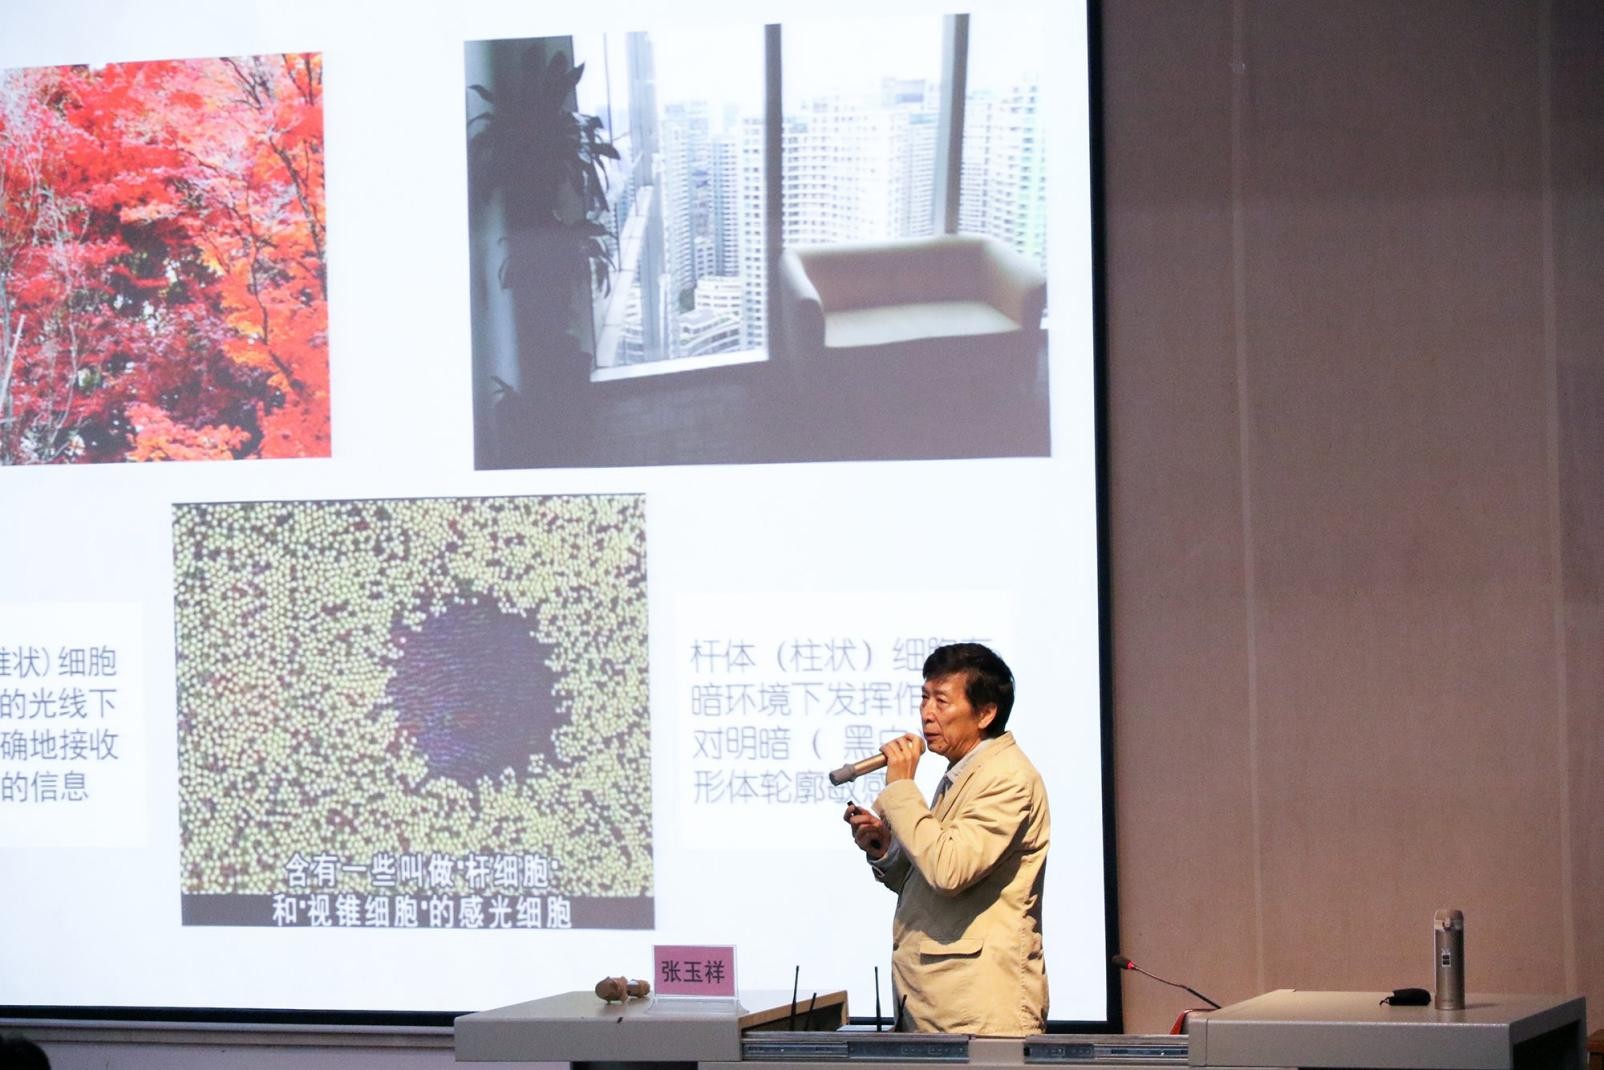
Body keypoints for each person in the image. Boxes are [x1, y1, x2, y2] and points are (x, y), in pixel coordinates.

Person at [844, 642, 1049, 1035]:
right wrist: (887, 849)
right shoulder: (965, 771)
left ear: (985, 713)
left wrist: (901, 788)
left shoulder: (1007, 778)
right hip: (940, 1009)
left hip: (979, 1014)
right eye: (924, 698)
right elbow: (932, 874)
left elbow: (949, 871)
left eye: (941, 701)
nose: (927, 713)